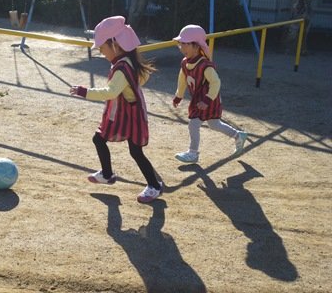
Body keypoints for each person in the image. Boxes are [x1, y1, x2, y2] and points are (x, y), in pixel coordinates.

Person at [70, 16, 162, 203]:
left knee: (136, 152)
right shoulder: (128, 62)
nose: (102, 53)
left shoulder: (122, 67)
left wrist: (84, 91)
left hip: (131, 115)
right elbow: (139, 80)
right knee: (99, 138)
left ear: (115, 44)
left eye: (103, 48)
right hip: (124, 112)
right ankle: (107, 174)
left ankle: (155, 186)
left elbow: (111, 92)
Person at [171, 24, 248, 163]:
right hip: (198, 100)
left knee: (194, 124)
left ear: (196, 45)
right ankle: (238, 136)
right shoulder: (185, 63)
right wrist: (179, 95)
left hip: (209, 100)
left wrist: (207, 100)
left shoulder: (205, 65)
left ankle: (193, 153)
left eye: (185, 44)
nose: (181, 47)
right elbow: (182, 79)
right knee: (215, 125)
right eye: (180, 44)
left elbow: (216, 82)